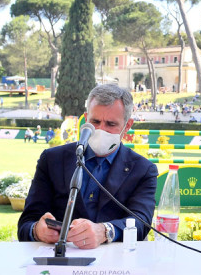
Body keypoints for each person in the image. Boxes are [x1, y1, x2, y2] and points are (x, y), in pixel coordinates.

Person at [17, 84, 157, 248]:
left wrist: (105, 231)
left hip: (115, 264)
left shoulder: (143, 169)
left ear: (127, 126)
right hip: (60, 263)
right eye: (95, 121)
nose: (100, 130)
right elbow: (26, 224)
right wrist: (37, 231)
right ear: (85, 118)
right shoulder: (51, 159)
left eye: (111, 124)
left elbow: (141, 223)